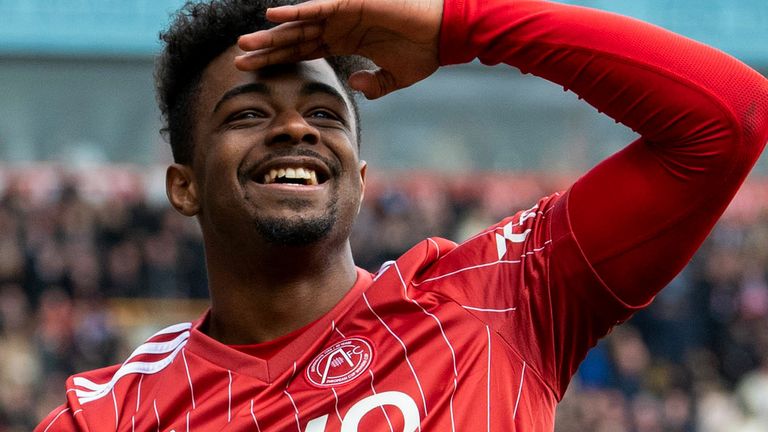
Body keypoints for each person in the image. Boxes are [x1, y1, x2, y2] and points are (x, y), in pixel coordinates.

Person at [36, 0, 768, 430]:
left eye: (325, 113)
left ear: (358, 175)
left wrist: (465, 26)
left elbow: (727, 120)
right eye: (250, 113)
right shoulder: (110, 414)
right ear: (184, 186)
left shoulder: (497, 301)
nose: (296, 130)